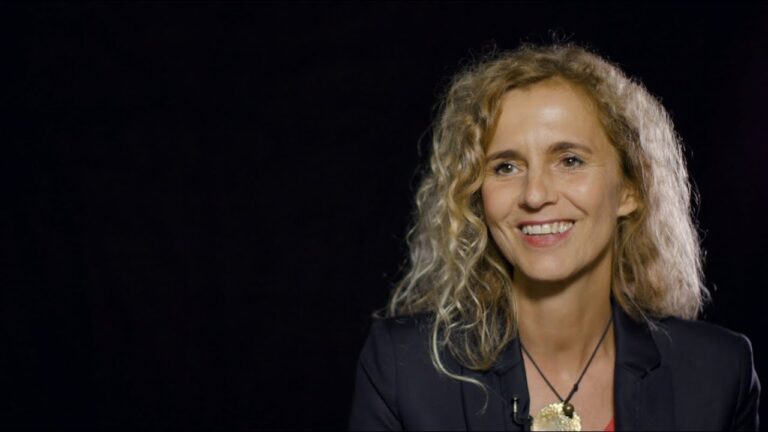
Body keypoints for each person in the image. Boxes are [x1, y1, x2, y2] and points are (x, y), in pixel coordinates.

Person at [349, 44, 760, 431]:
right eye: (506, 167)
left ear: (630, 189)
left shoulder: (721, 373)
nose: (535, 195)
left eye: (570, 160)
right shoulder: (401, 368)